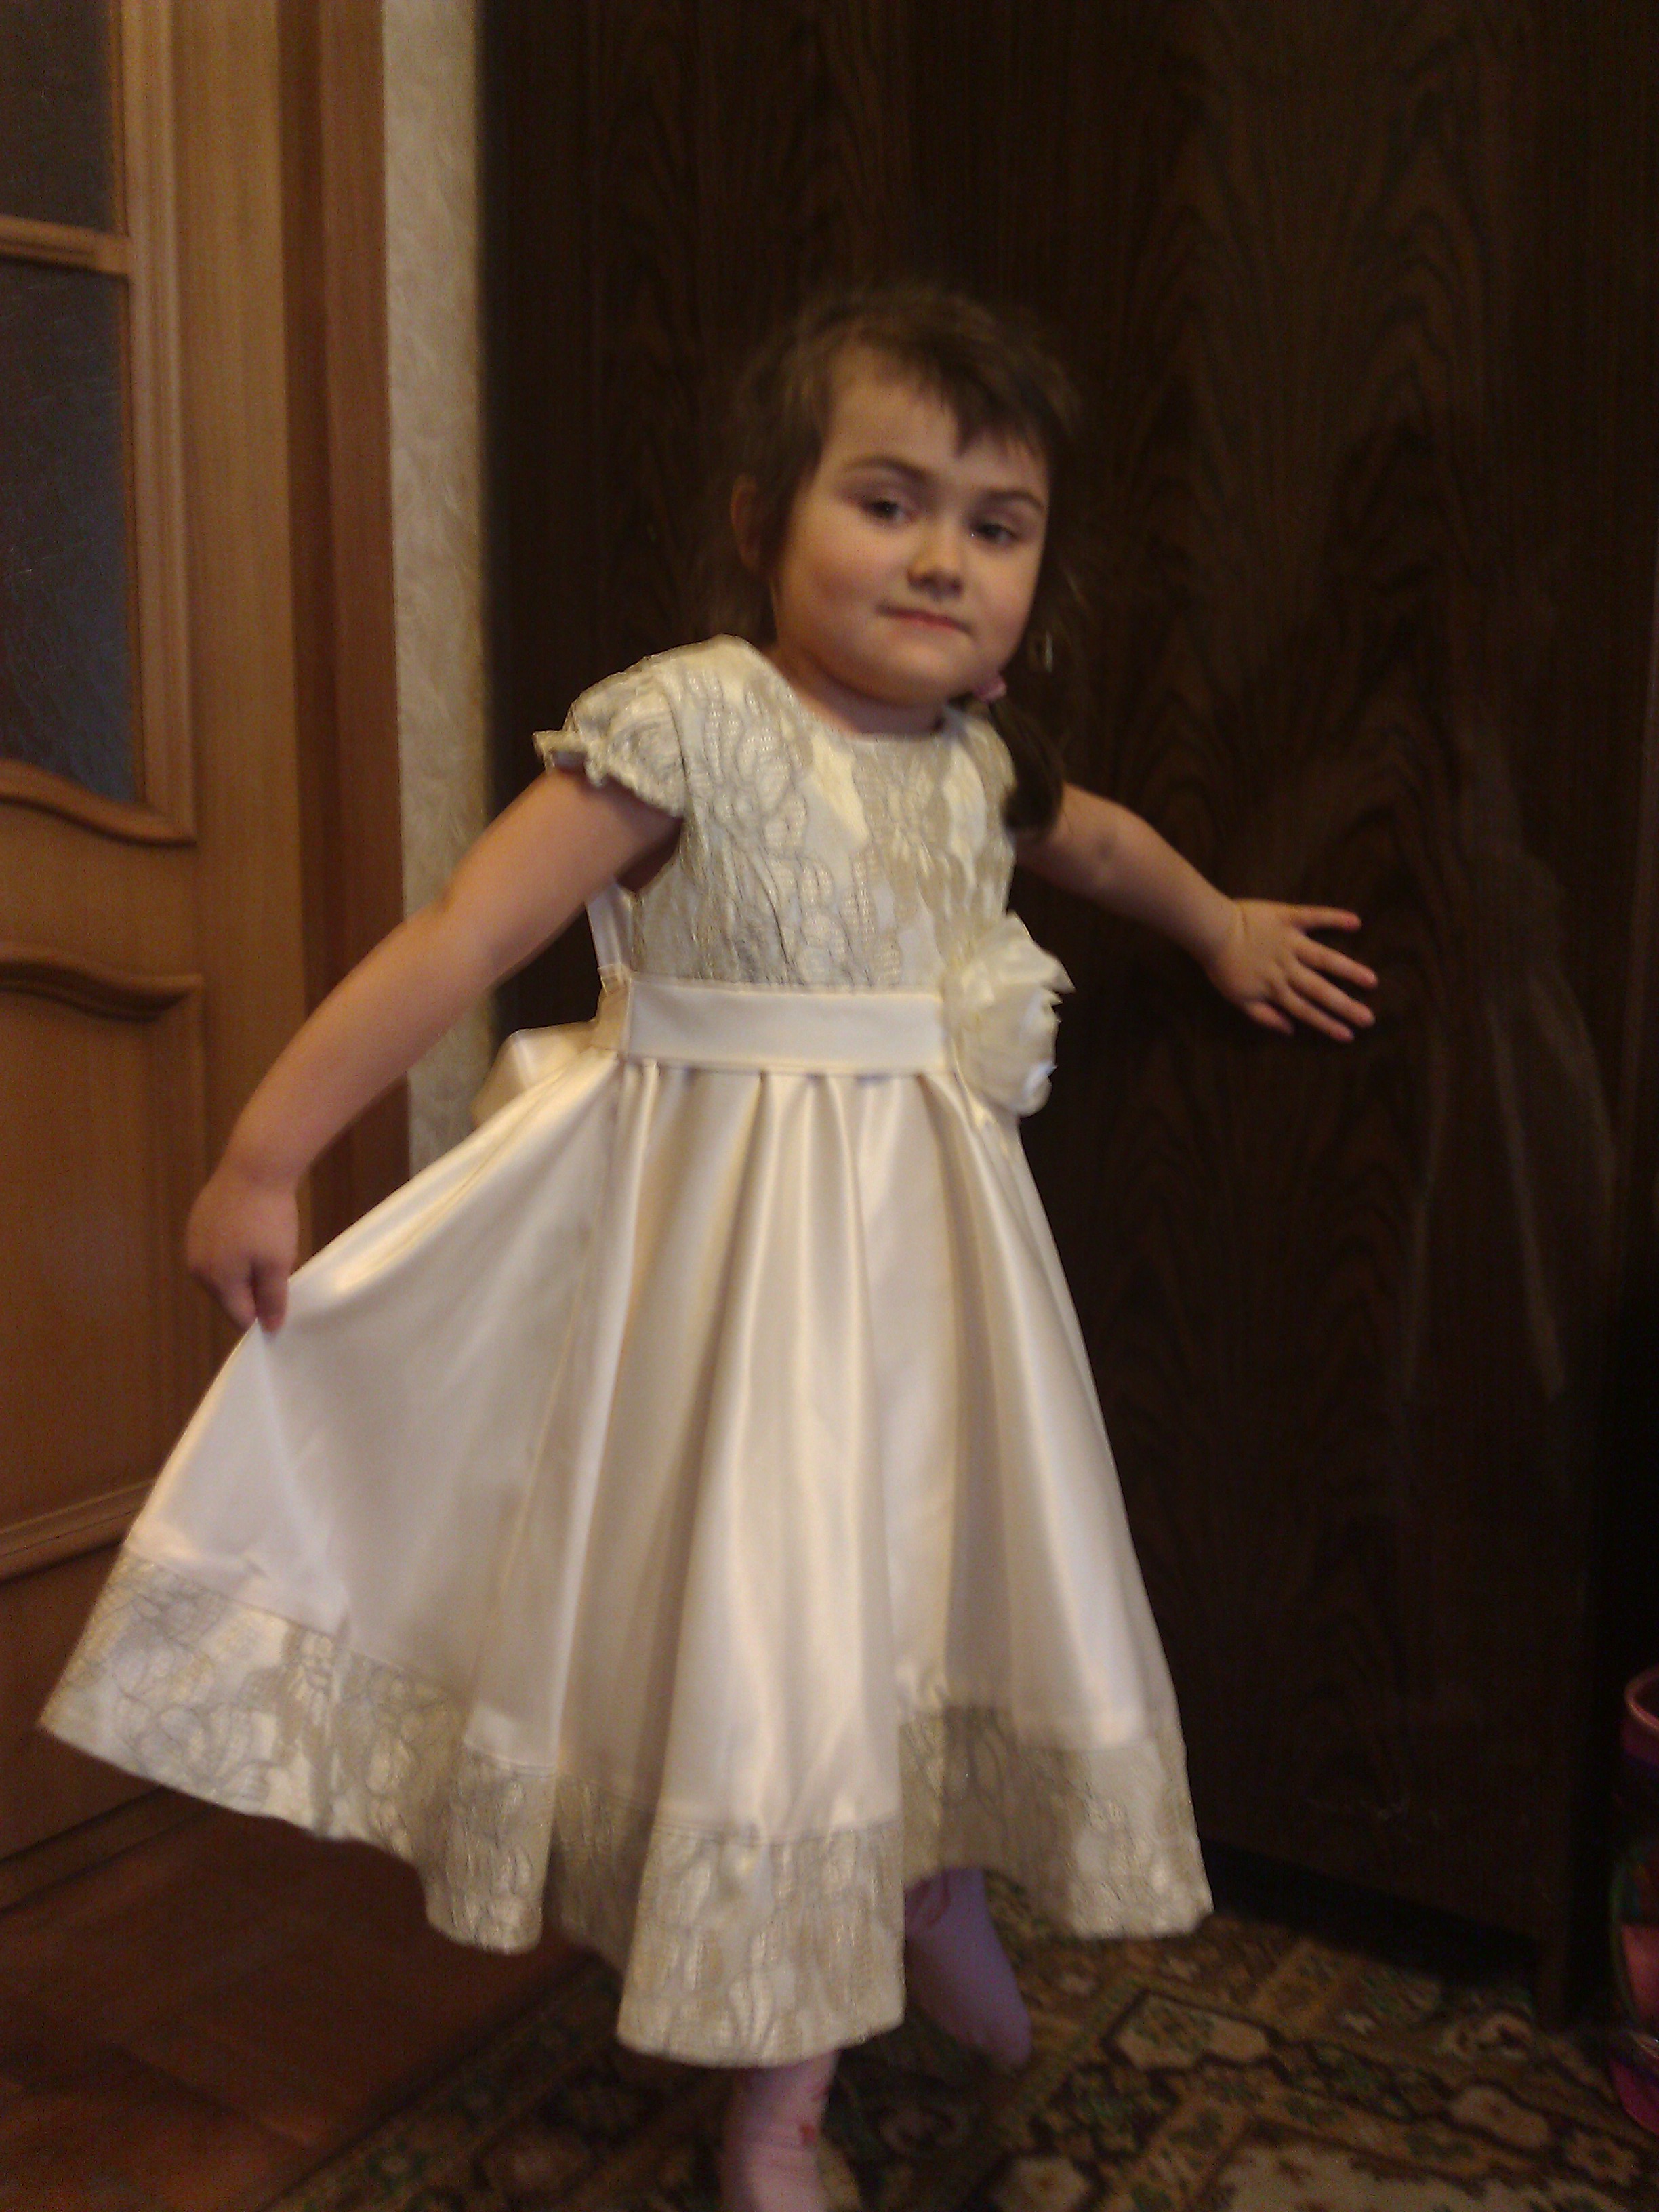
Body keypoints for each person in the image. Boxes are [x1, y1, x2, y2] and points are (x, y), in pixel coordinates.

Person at [45, 285, 1375, 2211]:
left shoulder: (979, 759)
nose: (944, 559)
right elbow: (465, 933)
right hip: (734, 1296)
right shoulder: (691, 723)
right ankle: (779, 2103)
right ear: (764, 523)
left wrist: (1221, 922)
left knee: (945, 1597)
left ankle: (928, 1882)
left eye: (997, 526)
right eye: (889, 503)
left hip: (937, 1294)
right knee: (782, 1646)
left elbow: (1092, 842)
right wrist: (267, 1151)